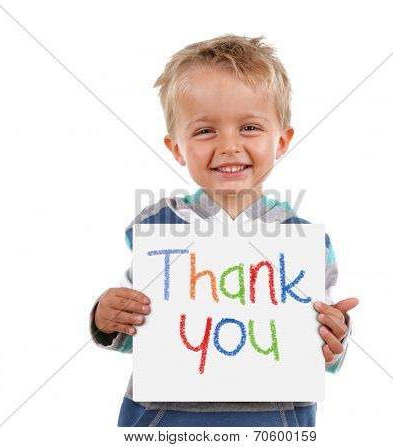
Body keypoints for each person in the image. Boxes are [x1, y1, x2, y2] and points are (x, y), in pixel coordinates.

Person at [89, 34, 359, 427]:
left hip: (274, 426)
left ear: (281, 141)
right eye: (204, 131)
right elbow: (139, 333)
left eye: (249, 127)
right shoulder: (158, 227)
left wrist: (334, 336)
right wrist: (104, 318)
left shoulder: (306, 241)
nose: (229, 145)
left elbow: (323, 349)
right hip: (166, 424)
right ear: (177, 148)